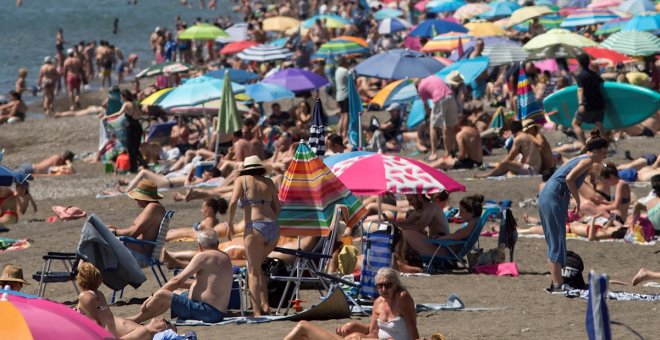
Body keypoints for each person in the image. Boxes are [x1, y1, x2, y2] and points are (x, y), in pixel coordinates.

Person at [539, 129, 609, 293]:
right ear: (597, 151)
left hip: (551, 196)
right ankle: (557, 285)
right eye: (604, 152)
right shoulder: (587, 160)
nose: (605, 156)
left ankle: (557, 282)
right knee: (556, 240)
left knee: (555, 239)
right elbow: (569, 179)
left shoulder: (582, 158)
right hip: (553, 197)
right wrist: (577, 200)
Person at [127, 229, 233, 324]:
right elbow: (209, 284)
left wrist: (152, 296)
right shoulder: (225, 258)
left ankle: (137, 319)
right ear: (218, 244)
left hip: (206, 311)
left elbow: (177, 280)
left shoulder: (203, 256)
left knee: (162, 294)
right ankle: (142, 318)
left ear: (199, 245)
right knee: (174, 293)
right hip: (216, 312)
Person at [284, 267, 420, 340]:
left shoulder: (402, 298)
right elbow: (373, 334)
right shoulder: (378, 303)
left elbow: (412, 328)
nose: (383, 289)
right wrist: (355, 326)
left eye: (388, 285)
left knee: (353, 337)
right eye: (380, 285)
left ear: (396, 285)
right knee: (302, 326)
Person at [227, 156, 281, 316]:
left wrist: (229, 223)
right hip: (273, 227)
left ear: (246, 169)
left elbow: (232, 202)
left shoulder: (242, 180)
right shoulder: (269, 182)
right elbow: (277, 208)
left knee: (252, 270)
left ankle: (256, 311)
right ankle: (265, 306)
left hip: (255, 227)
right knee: (258, 267)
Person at [75, 263, 172, 340]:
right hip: (119, 327)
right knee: (151, 331)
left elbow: (95, 324)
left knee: (150, 331)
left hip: (113, 334)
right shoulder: (99, 294)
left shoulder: (84, 296)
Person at [108, 179, 166, 266]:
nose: (135, 199)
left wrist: (113, 232)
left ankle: (83, 271)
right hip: (142, 252)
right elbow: (136, 231)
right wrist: (116, 229)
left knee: (98, 241)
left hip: (140, 256)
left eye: (137, 197)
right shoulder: (157, 208)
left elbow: (133, 234)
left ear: (143, 198)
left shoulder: (152, 208)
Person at [476, 121, 541, 178]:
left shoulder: (519, 138)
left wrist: (502, 163)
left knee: (505, 163)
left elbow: (511, 156)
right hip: (534, 169)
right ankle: (490, 172)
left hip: (531, 170)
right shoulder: (527, 136)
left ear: (512, 131)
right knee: (506, 163)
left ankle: (488, 175)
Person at [103, 90, 147, 173]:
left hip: (132, 128)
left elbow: (119, 113)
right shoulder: (134, 103)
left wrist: (107, 117)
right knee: (136, 148)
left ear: (124, 97)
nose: (121, 98)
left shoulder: (126, 104)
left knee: (131, 149)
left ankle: (134, 168)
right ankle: (143, 165)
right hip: (138, 127)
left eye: (121, 97)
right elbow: (140, 114)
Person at [416, 75, 456, 161]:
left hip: (440, 99)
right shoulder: (433, 77)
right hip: (450, 96)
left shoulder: (420, 87)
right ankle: (449, 152)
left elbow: (426, 105)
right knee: (449, 127)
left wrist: (430, 117)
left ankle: (434, 153)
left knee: (433, 127)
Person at [572, 54, 606, 149]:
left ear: (579, 64)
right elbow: (602, 83)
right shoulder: (594, 74)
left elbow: (580, 90)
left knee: (575, 124)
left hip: (588, 105)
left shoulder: (581, 76)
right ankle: (604, 146)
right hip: (600, 104)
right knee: (599, 125)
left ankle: (584, 145)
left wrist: (580, 103)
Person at [335, 56, 350, 140]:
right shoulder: (345, 71)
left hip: (339, 95)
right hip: (345, 95)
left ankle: (338, 133)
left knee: (342, 116)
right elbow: (351, 80)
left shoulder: (337, 70)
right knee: (346, 115)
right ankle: (344, 134)